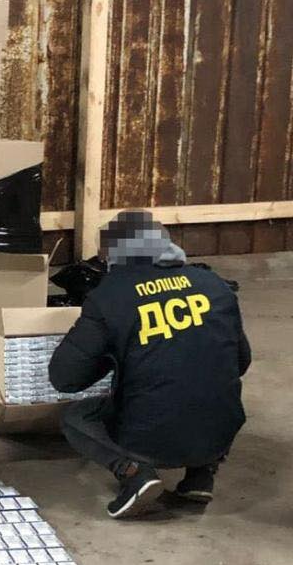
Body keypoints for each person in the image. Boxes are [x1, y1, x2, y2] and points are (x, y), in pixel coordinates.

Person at [49, 211, 251, 520]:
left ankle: (134, 473)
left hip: (148, 440)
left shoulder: (110, 296)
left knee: (76, 417)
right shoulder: (213, 284)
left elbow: (65, 378)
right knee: (210, 387)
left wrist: (110, 355)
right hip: (220, 433)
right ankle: (200, 475)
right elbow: (241, 362)